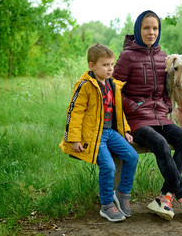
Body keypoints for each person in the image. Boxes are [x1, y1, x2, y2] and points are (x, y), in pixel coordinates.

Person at [113, 10, 182, 221]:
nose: (151, 32)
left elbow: (169, 88)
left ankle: (164, 197)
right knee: (160, 143)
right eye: (146, 28)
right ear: (138, 30)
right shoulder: (127, 56)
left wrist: (167, 104)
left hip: (160, 116)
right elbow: (115, 90)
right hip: (137, 120)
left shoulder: (163, 56)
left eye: (155, 28)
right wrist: (134, 107)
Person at [59, 43, 138, 223]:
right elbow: (75, 112)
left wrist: (125, 130)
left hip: (110, 132)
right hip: (94, 136)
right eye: (105, 65)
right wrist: (73, 138)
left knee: (132, 156)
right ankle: (106, 205)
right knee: (108, 167)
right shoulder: (85, 86)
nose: (110, 69)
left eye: (112, 64)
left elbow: (119, 111)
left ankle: (123, 193)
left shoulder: (113, 84)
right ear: (92, 65)